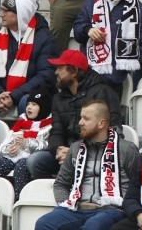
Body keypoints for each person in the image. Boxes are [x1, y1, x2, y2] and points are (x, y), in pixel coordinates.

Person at [34, 101, 140, 230]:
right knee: (44, 223)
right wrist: (67, 203)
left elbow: (138, 186)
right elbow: (61, 183)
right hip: (77, 208)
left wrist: (127, 207)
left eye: (86, 118)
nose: (80, 122)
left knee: (93, 226)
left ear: (101, 123)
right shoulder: (75, 148)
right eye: (80, 117)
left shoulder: (126, 150)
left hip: (112, 210)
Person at [23, 50, 122, 184]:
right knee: (35, 161)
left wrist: (76, 152)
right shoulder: (58, 98)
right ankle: (57, 193)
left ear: (74, 71)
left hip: (96, 155)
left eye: (60, 68)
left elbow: (113, 134)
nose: (56, 72)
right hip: (66, 155)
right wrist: (58, 150)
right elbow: (56, 132)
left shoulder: (103, 93)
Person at [73, 0, 142, 93]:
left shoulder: (138, 10)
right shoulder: (91, 2)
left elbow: (141, 47)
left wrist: (119, 65)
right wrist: (87, 30)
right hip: (87, 75)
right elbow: (78, 31)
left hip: (114, 81)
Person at [0, 0, 56, 115]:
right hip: (1, 93)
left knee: (27, 103)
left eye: (6, 11)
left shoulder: (44, 38)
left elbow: (46, 76)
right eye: (1, 10)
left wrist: (14, 96)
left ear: (21, 14)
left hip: (30, 94)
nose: (1, 14)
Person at [0, 90, 53, 198]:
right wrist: (10, 149)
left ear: (43, 107)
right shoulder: (21, 122)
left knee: (21, 167)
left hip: (30, 158)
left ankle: (19, 200)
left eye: (34, 104)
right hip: (13, 157)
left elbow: (45, 146)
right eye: (28, 104)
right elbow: (4, 146)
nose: (29, 107)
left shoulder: (49, 126)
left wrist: (27, 143)